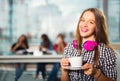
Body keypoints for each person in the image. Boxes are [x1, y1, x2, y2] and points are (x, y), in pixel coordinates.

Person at [60, 8, 117, 81]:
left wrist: (96, 73)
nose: (84, 24)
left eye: (91, 22)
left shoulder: (106, 51)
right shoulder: (69, 48)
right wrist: (64, 70)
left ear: (98, 27)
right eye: (82, 20)